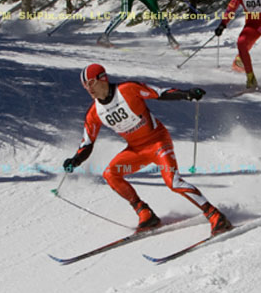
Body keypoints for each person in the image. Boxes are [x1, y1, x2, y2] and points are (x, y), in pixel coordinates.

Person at [63, 63, 232, 235]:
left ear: (103, 79)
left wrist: (186, 94)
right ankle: (145, 213)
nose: (89, 89)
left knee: (173, 182)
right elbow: (87, 143)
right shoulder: (94, 113)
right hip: (137, 151)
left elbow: (159, 93)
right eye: (85, 85)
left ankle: (215, 216)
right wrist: (75, 160)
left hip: (158, 143)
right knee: (110, 174)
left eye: (91, 83)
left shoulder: (128, 89)